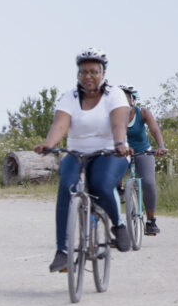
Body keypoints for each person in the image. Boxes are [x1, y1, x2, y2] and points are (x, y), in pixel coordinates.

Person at [33, 47, 131, 272]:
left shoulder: (114, 95)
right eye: (83, 72)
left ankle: (118, 225)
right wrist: (50, 144)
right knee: (66, 188)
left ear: (103, 73)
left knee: (101, 184)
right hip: (77, 153)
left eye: (93, 71)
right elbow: (60, 124)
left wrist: (119, 144)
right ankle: (63, 251)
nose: (88, 76)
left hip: (110, 152)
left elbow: (118, 124)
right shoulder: (70, 97)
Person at [118, 84, 167, 235]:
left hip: (143, 152)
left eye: (126, 99)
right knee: (111, 176)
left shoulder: (143, 113)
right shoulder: (115, 116)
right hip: (122, 152)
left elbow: (154, 130)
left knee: (148, 182)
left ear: (133, 100)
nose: (123, 102)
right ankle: (119, 192)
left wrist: (160, 146)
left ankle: (151, 221)